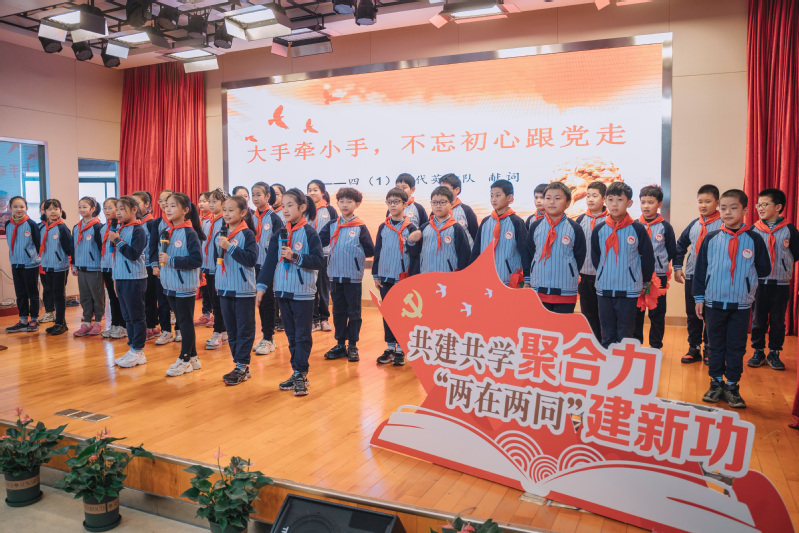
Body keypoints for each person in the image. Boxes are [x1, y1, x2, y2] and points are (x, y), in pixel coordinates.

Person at [694, 189, 770, 408]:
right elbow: (701, 271)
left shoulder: (754, 238)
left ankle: (732, 386)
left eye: (733, 208)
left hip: (741, 304)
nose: (727, 212)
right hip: (713, 303)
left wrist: (746, 280)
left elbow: (764, 268)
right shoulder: (711, 238)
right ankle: (716, 382)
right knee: (714, 345)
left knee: (736, 347)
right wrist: (699, 298)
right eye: (724, 208)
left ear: (745, 210)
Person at [257, 189, 325, 396]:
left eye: (290, 206)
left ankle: (301, 373)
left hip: (303, 293)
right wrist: (261, 287)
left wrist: (296, 256)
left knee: (302, 335)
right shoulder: (279, 234)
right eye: (283, 206)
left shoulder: (310, 233)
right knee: (291, 336)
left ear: (302, 208)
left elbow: (319, 261)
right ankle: (297, 372)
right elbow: (269, 263)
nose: (285, 210)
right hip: (282, 292)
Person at [591, 182, 654, 348]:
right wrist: (604, 272)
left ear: (629, 203)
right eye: (610, 199)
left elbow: (648, 258)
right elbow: (596, 257)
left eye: (619, 200)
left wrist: (645, 282)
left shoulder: (638, 229)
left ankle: (624, 363)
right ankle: (608, 363)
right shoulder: (599, 229)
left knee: (625, 334)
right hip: (604, 288)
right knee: (607, 333)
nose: (614, 204)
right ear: (605, 201)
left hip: (629, 289)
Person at [319, 188, 375, 363]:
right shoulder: (332, 225)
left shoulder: (360, 227)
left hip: (353, 277)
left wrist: (354, 256)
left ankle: (352, 345)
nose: (344, 205)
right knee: (338, 311)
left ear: (357, 204)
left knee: (354, 312)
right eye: (341, 201)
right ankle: (340, 344)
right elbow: (318, 241)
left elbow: (370, 250)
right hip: (335, 276)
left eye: (349, 201)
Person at [748, 188, 799, 370]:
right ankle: (758, 351)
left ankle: (774, 352)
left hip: (780, 284)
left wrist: (784, 265)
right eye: (758, 205)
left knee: (778, 321)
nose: (760, 208)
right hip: (759, 284)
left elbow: (796, 252)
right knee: (758, 319)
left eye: (765, 204)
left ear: (778, 207)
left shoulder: (789, 229)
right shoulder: (754, 229)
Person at [674, 184, 722, 364]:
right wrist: (678, 267)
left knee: (711, 314)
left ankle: (710, 348)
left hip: (713, 278)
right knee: (692, 314)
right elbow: (680, 245)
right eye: (700, 201)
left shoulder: (723, 224)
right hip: (693, 276)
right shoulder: (694, 225)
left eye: (707, 201)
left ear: (717, 202)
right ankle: (694, 347)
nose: (703, 205)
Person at [214, 195, 259, 385]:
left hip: (243, 289)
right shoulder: (221, 233)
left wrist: (230, 248)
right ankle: (239, 365)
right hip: (224, 288)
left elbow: (251, 259)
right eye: (224, 210)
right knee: (231, 329)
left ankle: (242, 365)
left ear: (243, 213)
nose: (226, 214)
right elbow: (216, 260)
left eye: (231, 210)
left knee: (244, 329)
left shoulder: (247, 234)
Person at [159, 193, 205, 377]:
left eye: (173, 206)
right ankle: (193, 357)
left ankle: (184, 358)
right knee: (181, 321)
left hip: (184, 285)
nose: (168, 209)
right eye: (166, 205)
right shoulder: (167, 231)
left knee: (185, 323)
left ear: (185, 210)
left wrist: (171, 260)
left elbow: (196, 260)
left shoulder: (189, 233)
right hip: (169, 284)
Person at [373, 188, 418, 366]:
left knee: (403, 315)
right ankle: (390, 347)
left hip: (403, 278)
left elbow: (415, 255)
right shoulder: (383, 227)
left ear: (405, 205)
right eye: (390, 202)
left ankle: (402, 349)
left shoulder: (411, 228)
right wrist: (375, 274)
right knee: (388, 314)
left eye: (396, 202)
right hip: (385, 277)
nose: (392, 205)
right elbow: (377, 252)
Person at [528, 182, 586, 313]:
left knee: (562, 325)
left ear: (568, 203)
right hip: (539, 287)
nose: (552, 202)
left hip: (565, 290)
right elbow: (531, 251)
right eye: (548, 198)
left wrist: (568, 271)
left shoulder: (575, 228)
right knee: (540, 324)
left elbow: (580, 256)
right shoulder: (535, 226)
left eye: (557, 198)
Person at [634, 185, 677, 349]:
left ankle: (655, 346)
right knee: (637, 312)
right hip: (638, 275)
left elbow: (671, 251)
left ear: (659, 204)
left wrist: (660, 264)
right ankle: (636, 345)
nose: (646, 206)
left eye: (650, 202)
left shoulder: (665, 227)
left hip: (658, 276)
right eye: (643, 202)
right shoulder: (634, 225)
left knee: (657, 313)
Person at [109, 196, 148, 368]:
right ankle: (133, 348)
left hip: (134, 279)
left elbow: (133, 254)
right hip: (121, 278)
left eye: (121, 209)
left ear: (134, 209)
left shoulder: (138, 230)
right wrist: (115, 278)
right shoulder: (121, 228)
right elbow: (117, 257)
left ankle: (138, 350)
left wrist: (117, 240)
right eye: (116, 209)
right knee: (127, 317)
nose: (118, 212)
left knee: (136, 316)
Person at [470, 179, 530, 288]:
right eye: (491, 196)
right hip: (485, 279)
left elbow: (524, 252)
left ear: (509, 198)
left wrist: (527, 279)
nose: (493, 199)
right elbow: (476, 250)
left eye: (498, 195)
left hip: (508, 281)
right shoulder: (485, 222)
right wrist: (471, 272)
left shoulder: (516, 222)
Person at [251, 181, 283, 355]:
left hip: (268, 267)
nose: (255, 198)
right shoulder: (250, 217)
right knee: (259, 303)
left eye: (259, 195)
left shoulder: (275, 218)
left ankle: (269, 338)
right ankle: (264, 337)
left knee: (268, 302)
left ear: (268, 196)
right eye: (253, 195)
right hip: (253, 266)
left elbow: (278, 245)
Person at [407, 186, 471, 274]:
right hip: (426, 275)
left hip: (449, 277)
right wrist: (411, 241)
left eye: (442, 202)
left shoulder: (456, 228)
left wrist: (461, 276)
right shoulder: (424, 227)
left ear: (451, 204)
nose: (438, 206)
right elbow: (414, 253)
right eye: (434, 202)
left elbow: (464, 256)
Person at [5, 196, 41, 333]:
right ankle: (23, 320)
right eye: (15, 207)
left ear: (26, 208)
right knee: (20, 293)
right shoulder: (8, 224)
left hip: (30, 264)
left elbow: (38, 244)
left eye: (22, 206)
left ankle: (34, 319)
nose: (19, 209)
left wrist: (34, 258)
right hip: (16, 263)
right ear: (10, 208)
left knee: (32, 293)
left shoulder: (31, 224)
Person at [576, 181, 608, 340]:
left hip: (604, 276)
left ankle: (605, 343)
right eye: (588, 196)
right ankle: (592, 342)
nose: (590, 199)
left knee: (604, 312)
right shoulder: (580, 220)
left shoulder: (610, 220)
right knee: (587, 312)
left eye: (595, 196)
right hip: (584, 275)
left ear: (604, 198)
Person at [148, 189, 180, 345]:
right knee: (162, 302)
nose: (164, 204)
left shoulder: (181, 222)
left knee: (178, 301)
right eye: (160, 201)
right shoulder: (157, 223)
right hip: (162, 269)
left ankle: (180, 329)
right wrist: (154, 265)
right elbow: (153, 246)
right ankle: (166, 331)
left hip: (178, 268)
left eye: (167, 201)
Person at [71, 197, 104, 337]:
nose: (81, 209)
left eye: (85, 207)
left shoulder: (98, 227)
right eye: (80, 207)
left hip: (94, 267)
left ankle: (98, 322)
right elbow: (73, 247)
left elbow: (102, 248)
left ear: (93, 209)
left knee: (97, 296)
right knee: (84, 297)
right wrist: (74, 264)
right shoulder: (76, 227)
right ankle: (87, 323)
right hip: (81, 267)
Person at [307, 179, 337, 332]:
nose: (312, 192)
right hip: (309, 256)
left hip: (325, 255)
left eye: (315, 190)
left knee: (324, 288)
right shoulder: (304, 210)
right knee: (311, 287)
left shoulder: (330, 210)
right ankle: (314, 320)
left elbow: (336, 231)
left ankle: (324, 318)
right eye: (309, 190)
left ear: (323, 192)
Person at [40, 199, 73, 335]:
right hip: (47, 266)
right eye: (49, 209)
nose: (53, 211)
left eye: (56, 208)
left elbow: (69, 248)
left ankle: (60, 323)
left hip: (59, 267)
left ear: (60, 210)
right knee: (53, 294)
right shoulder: (42, 228)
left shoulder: (62, 228)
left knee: (59, 295)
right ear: (45, 212)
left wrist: (72, 263)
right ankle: (61, 323)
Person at [131, 191, 160, 340]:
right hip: (139, 265)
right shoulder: (136, 223)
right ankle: (148, 325)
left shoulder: (150, 223)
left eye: (137, 203)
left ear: (147, 204)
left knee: (150, 298)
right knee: (142, 297)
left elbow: (154, 245)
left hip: (149, 264)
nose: (134, 206)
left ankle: (152, 326)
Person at [202, 189, 229, 349]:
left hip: (219, 268)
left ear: (223, 203)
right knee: (214, 301)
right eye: (209, 201)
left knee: (218, 303)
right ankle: (224, 332)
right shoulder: (208, 221)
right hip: (208, 267)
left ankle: (217, 333)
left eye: (214, 201)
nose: (211, 204)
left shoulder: (225, 221)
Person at [99, 198, 126, 339]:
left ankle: (123, 326)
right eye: (105, 208)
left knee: (119, 298)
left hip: (117, 267)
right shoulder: (103, 227)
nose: (107, 211)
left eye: (110, 208)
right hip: (106, 266)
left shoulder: (122, 227)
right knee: (111, 298)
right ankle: (114, 325)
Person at [438, 173, 478, 248]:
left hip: (465, 253)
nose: (442, 192)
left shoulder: (466, 210)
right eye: (441, 189)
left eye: (446, 189)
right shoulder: (436, 211)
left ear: (457, 190)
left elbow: (475, 236)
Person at [195, 191, 214, 328]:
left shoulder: (214, 219)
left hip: (211, 260)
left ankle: (216, 315)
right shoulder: (198, 220)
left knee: (213, 290)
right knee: (204, 289)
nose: (201, 204)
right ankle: (206, 314)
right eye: (200, 201)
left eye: (205, 201)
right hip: (201, 260)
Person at [37, 204, 56, 324]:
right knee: (47, 289)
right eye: (45, 209)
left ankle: (59, 315)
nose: (48, 211)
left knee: (58, 291)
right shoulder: (38, 227)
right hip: (43, 265)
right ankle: (49, 313)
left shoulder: (60, 227)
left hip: (58, 266)